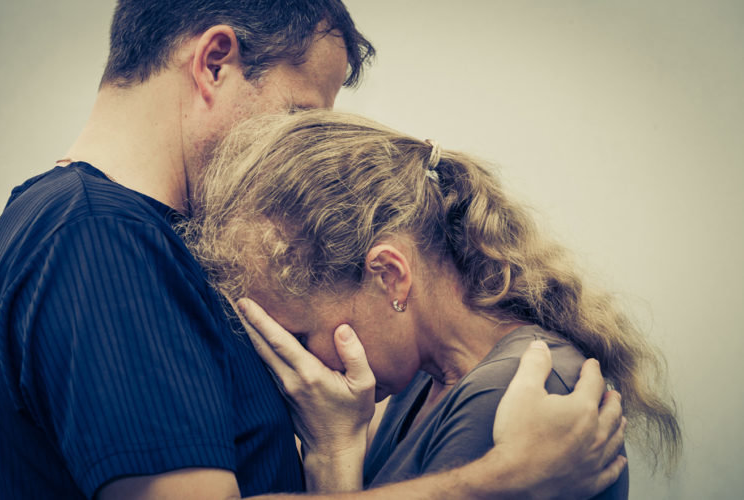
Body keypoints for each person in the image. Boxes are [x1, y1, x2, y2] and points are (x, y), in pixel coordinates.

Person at [0, 1, 625, 499]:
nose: (296, 149)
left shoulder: (133, 238)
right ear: (214, 62)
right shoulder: (100, 239)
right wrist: (504, 478)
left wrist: (335, 451)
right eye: (299, 115)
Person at [185, 110, 683, 495]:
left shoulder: (514, 393)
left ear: (390, 276)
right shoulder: (421, 380)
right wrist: (335, 447)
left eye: (300, 336)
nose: (298, 365)